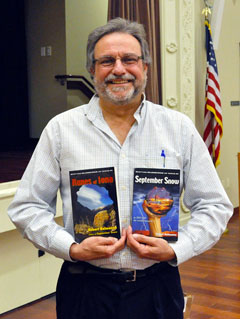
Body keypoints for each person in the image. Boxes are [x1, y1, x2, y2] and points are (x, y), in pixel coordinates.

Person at [8, 18, 233, 319]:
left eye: (129, 59)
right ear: (92, 70)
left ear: (146, 68)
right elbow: (27, 207)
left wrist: (177, 249)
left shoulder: (177, 128)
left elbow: (215, 205)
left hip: (157, 288)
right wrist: (72, 248)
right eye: (106, 61)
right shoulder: (61, 130)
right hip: (85, 288)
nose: (118, 69)